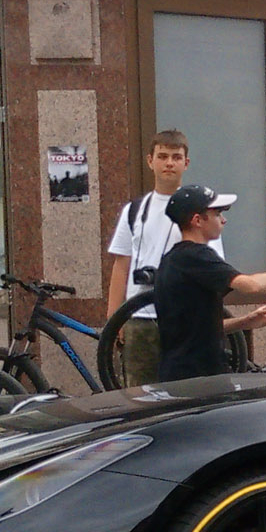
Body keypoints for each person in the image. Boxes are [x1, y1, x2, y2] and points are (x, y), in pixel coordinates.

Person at [152, 186, 266, 382]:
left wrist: (246, 321)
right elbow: (249, 285)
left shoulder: (173, 259)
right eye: (216, 214)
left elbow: (194, 328)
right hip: (199, 379)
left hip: (179, 374)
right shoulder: (197, 255)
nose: (224, 220)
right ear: (197, 220)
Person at [106, 129, 203, 387]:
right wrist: (114, 320)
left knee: (185, 392)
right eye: (162, 156)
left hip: (183, 318)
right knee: (138, 395)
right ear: (150, 161)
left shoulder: (200, 211)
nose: (169, 163)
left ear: (186, 163)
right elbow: (121, 264)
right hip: (140, 317)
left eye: (175, 157)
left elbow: (212, 267)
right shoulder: (134, 210)